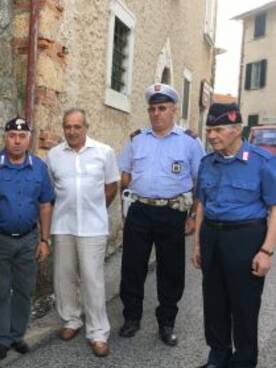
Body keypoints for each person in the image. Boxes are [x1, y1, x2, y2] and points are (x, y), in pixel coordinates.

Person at [117, 83, 205, 346]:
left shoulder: (189, 142)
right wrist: (126, 204)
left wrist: (192, 215)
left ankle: (167, 322)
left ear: (174, 110)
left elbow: (201, 182)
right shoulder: (137, 139)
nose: (156, 113)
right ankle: (131, 317)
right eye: (152, 108)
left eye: (162, 108)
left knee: (171, 270)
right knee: (132, 267)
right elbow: (125, 173)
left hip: (172, 213)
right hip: (140, 211)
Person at [193, 103, 275, 368]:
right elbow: (202, 205)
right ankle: (218, 356)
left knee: (244, 305)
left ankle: (243, 361)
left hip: (245, 239)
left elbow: (275, 208)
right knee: (214, 302)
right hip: (211, 237)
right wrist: (197, 245)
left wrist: (266, 251)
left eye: (218, 129)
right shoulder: (207, 163)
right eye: (209, 130)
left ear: (238, 129)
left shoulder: (262, 163)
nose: (212, 135)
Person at [46, 109, 119, 357]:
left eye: (77, 126)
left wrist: (96, 208)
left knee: (92, 278)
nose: (72, 131)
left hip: (93, 227)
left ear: (86, 127)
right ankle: (71, 320)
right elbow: (50, 189)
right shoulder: (54, 155)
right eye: (68, 127)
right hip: (63, 224)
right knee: (64, 276)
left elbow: (111, 186)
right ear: (63, 128)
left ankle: (98, 332)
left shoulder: (103, 152)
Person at [0, 117, 54, 361]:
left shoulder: (39, 167)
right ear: (5, 137)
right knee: (0, 289)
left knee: (24, 289)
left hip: (28, 239)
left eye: (22, 136)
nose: (17, 141)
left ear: (28, 139)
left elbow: (45, 204)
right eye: (12, 136)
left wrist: (44, 240)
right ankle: (2, 339)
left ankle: (17, 335)